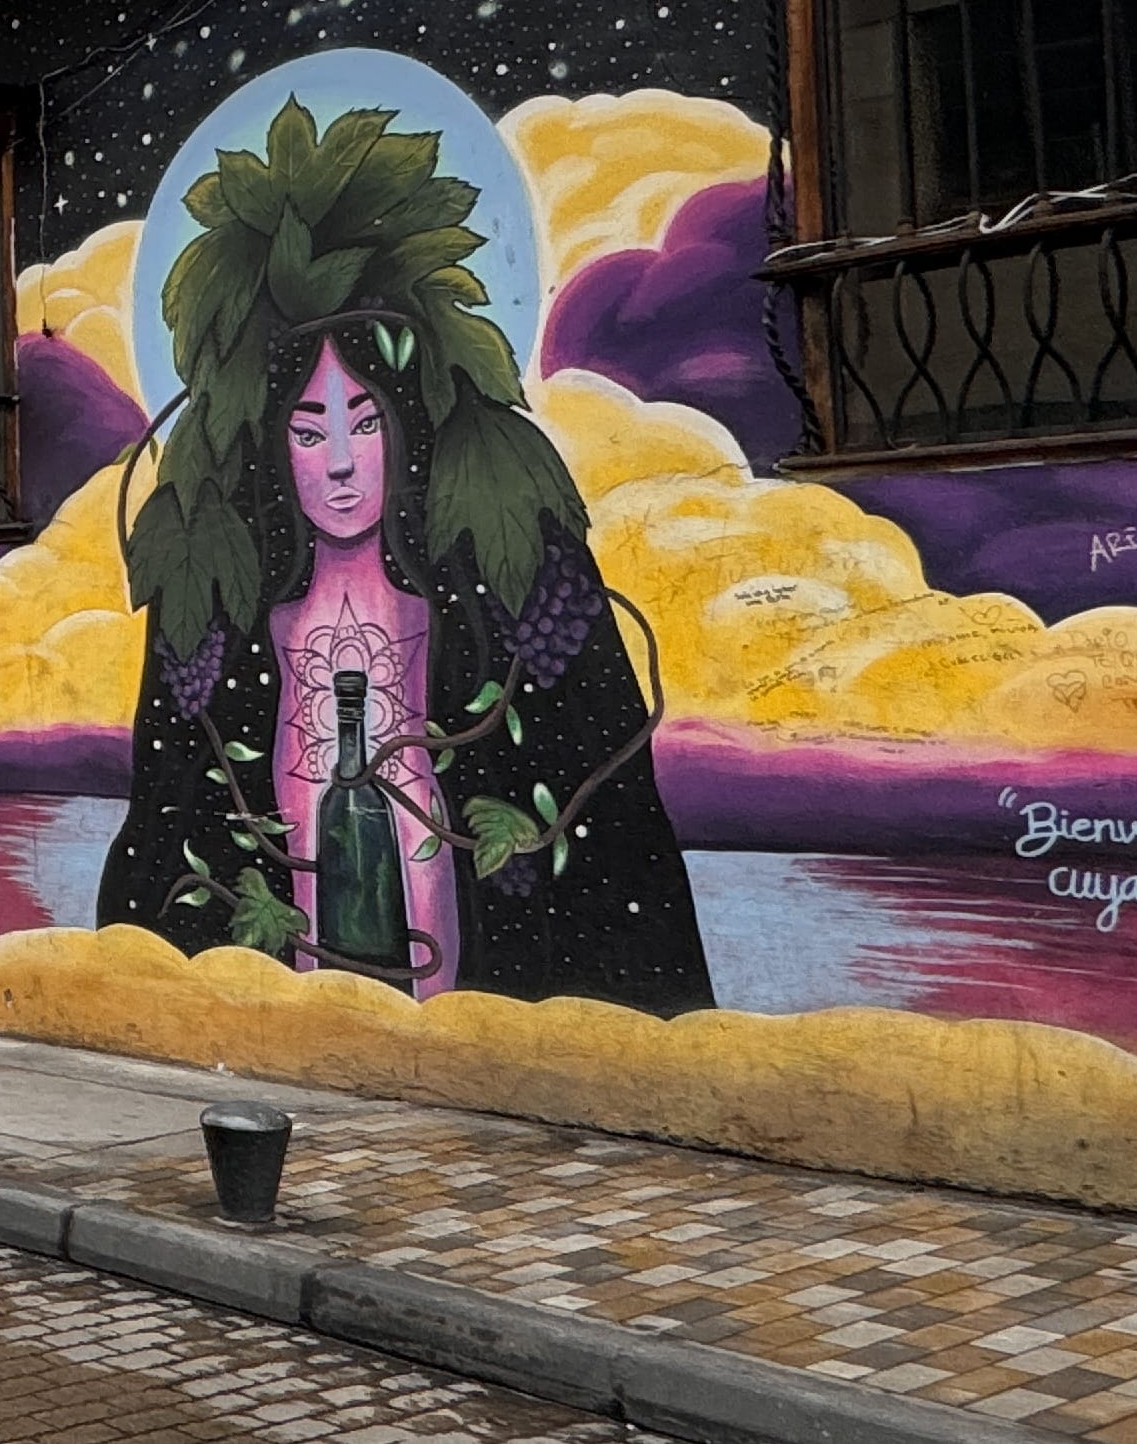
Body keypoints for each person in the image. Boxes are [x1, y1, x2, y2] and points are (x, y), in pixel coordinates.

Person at [97, 98, 712, 1013]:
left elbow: (613, 836)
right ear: (270, 449)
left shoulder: (507, 586)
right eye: (307, 429)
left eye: (366, 420)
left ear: (411, 419)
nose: (341, 464)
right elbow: (168, 823)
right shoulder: (218, 611)